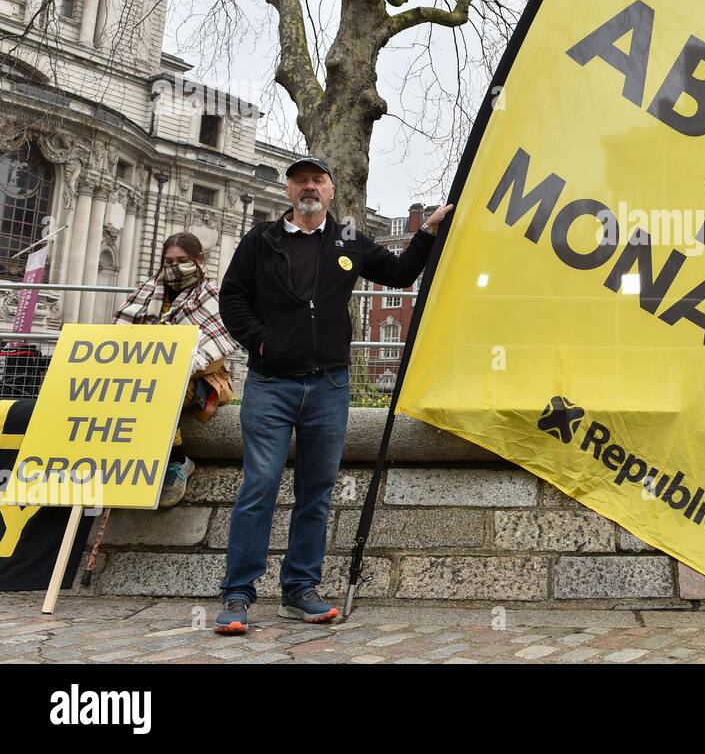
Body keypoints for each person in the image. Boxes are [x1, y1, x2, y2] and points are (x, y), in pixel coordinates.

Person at [214, 156, 452, 634]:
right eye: (300, 180)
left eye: (318, 180)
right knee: (259, 487)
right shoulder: (261, 240)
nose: (309, 187)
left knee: (316, 492)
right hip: (271, 384)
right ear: (288, 191)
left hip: (330, 384)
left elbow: (400, 273)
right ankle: (238, 592)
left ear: (331, 191)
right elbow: (232, 296)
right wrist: (261, 339)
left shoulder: (347, 238)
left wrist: (426, 232)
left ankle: (299, 589)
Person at [113, 232, 238, 507]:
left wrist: (172, 366)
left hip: (199, 377)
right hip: (142, 370)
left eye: (182, 260)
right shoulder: (146, 291)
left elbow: (216, 351)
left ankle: (177, 460)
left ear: (199, 260)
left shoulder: (214, 296)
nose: (174, 266)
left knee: (158, 392)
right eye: (168, 261)